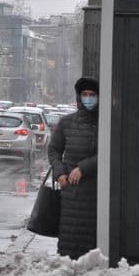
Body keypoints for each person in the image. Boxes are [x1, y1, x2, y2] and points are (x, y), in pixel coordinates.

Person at [47, 77, 99, 259]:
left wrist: (83, 168)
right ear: (79, 97)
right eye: (85, 94)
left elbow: (110, 152)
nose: (88, 98)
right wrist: (59, 172)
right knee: (68, 244)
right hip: (70, 194)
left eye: (92, 95)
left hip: (94, 195)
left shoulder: (106, 123)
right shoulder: (66, 123)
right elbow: (53, 150)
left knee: (90, 247)